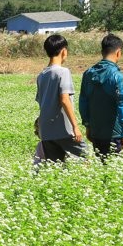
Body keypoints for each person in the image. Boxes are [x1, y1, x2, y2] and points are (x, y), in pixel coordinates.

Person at [34, 34, 87, 163]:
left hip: (46, 131)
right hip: (64, 129)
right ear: (63, 51)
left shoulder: (41, 75)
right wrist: (75, 127)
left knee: (55, 166)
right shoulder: (63, 72)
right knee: (86, 157)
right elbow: (64, 99)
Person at [80, 33, 123, 161]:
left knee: (102, 167)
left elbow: (83, 102)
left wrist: (87, 126)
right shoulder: (119, 77)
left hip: (96, 132)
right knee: (115, 171)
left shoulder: (88, 74)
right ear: (118, 52)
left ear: (102, 51)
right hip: (116, 133)